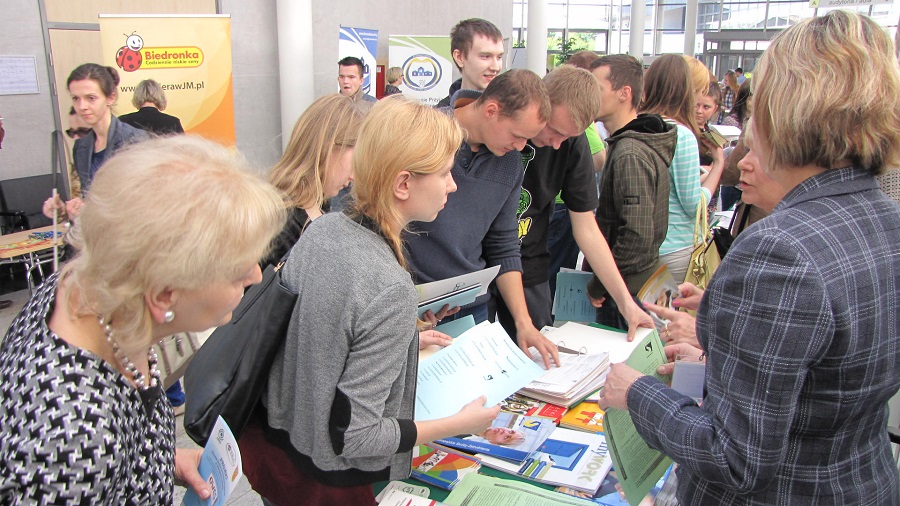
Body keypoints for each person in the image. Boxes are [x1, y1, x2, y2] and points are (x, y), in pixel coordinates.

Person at [599, 11, 900, 504]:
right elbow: (825, 373)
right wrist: (720, 341)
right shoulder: (883, 216)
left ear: (786, 110)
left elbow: (735, 458)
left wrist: (637, 393)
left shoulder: (780, 250)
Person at [241, 97, 499, 505]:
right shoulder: (389, 286)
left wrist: (404, 342)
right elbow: (356, 436)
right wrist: (457, 423)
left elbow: (321, 339)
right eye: (445, 173)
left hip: (275, 453)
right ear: (403, 184)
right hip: (327, 485)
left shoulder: (324, 229)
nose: (452, 186)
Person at [0, 135, 286, 502]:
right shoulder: (73, 439)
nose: (256, 276)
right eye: (237, 271)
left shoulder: (85, 287)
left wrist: (159, 460)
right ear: (164, 293)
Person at [404, 69, 560, 369]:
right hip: (411, 306)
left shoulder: (510, 162)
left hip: (470, 308)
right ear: (491, 110)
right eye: (517, 135)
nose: (520, 146)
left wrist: (523, 322)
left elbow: (504, 244)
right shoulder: (425, 133)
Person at [497, 65, 653, 340]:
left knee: (537, 348)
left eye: (567, 137)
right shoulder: (501, 130)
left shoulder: (571, 142)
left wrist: (626, 303)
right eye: (555, 130)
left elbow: (587, 228)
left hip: (528, 263)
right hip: (480, 266)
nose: (557, 144)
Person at [587, 55, 677, 330]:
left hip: (629, 291)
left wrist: (600, 283)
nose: (588, 96)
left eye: (596, 88)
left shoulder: (630, 152)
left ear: (624, 93)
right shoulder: (631, 144)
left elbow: (636, 234)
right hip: (637, 284)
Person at [639, 55, 724, 282]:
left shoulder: (638, 126)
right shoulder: (681, 135)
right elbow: (693, 205)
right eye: (700, 90)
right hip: (676, 246)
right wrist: (718, 165)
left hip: (642, 247)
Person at [261, 95, 363, 268]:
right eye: (354, 161)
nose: (353, 176)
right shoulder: (279, 219)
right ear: (328, 148)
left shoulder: (319, 204)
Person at [42, 64, 147, 222]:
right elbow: (89, 198)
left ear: (110, 98)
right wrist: (65, 210)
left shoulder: (135, 140)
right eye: (76, 99)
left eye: (91, 98)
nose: (82, 107)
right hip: (100, 232)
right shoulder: (81, 147)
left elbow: (147, 202)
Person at [436, 18, 504, 108]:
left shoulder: (512, 110)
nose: (495, 67)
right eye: (485, 56)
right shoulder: (438, 114)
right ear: (459, 57)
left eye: (499, 57)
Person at [118, 79, 185, 135]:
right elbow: (183, 146)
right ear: (160, 96)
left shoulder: (123, 121)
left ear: (136, 96)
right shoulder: (173, 123)